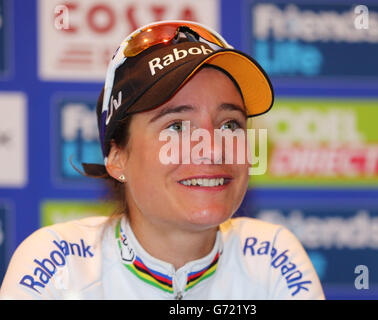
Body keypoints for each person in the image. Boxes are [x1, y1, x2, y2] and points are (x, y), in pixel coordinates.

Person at [0, 20, 324, 300]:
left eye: (229, 125)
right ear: (117, 157)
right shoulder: (57, 266)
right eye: (177, 127)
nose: (212, 148)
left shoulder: (272, 259)